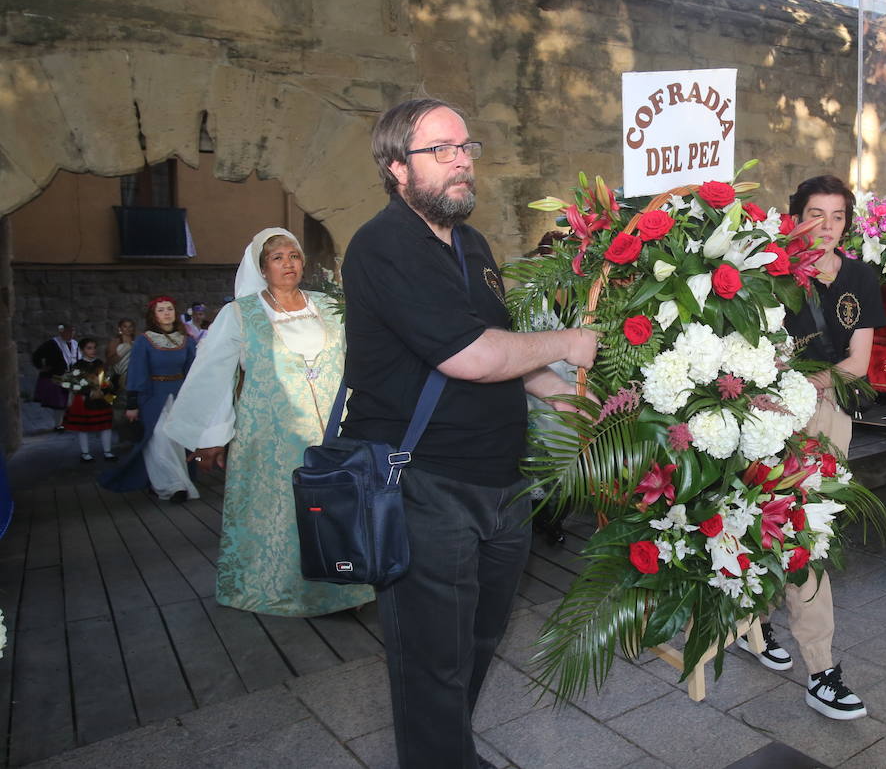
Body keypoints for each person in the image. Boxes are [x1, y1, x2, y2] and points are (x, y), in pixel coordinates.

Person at [343, 98, 596, 768]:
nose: (461, 160)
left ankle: (448, 754)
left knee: (479, 642)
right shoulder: (384, 244)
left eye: (465, 147)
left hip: (501, 483)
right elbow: (472, 357)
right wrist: (570, 342)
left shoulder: (473, 245)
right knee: (433, 660)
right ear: (397, 167)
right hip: (423, 483)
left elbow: (508, 357)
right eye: (441, 150)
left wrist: (572, 399)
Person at [162, 228, 374, 617]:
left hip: (333, 431)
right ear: (262, 268)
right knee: (282, 516)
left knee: (338, 508)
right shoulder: (240, 314)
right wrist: (211, 437)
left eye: (293, 256)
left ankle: (344, 587)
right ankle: (279, 590)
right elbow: (213, 373)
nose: (288, 264)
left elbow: (362, 358)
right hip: (269, 437)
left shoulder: (329, 307)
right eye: (277, 258)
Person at [737, 173, 886, 720]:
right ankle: (779, 642)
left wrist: (801, 384)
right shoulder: (765, 272)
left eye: (838, 216)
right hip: (765, 413)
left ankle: (803, 655)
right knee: (762, 519)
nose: (826, 226)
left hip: (825, 414)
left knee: (808, 530)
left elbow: (857, 364)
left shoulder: (860, 278)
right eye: (815, 214)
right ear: (794, 215)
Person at [98, 297, 195, 494]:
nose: (166, 313)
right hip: (152, 396)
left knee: (178, 439)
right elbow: (136, 372)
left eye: (169, 309)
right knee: (159, 437)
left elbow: (193, 371)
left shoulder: (186, 340)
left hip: (179, 396)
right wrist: (132, 404)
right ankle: (173, 485)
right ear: (154, 315)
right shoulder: (145, 340)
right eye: (161, 310)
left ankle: (170, 479)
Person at [61, 337, 115, 461]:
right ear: (82, 350)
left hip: (101, 398)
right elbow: (75, 383)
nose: (93, 350)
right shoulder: (78, 365)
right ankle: (85, 453)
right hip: (84, 399)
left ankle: (107, 451)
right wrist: (88, 392)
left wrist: (103, 390)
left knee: (106, 425)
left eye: (94, 348)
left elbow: (105, 380)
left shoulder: (100, 363)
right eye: (89, 348)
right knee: (83, 427)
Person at [32, 323, 78, 430]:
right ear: (61, 331)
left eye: (73, 331)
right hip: (57, 376)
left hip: (72, 376)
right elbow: (37, 355)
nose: (71, 334)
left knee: (71, 401)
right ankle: (59, 425)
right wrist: (42, 367)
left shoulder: (75, 344)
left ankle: (70, 422)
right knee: (59, 402)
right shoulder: (52, 344)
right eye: (68, 331)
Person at [106, 318, 137, 391]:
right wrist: (125, 349)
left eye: (130, 326)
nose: (128, 329)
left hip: (135, 377)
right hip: (120, 377)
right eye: (125, 326)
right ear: (120, 328)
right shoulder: (115, 342)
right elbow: (110, 361)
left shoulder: (137, 342)